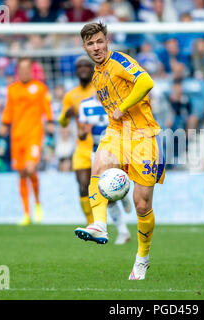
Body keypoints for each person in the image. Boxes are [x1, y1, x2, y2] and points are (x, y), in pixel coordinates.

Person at [74, 22, 165, 280]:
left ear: (107, 41)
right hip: (117, 132)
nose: (96, 47)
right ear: (85, 47)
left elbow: (146, 81)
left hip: (144, 135)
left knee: (142, 205)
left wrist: (124, 106)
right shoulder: (96, 76)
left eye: (100, 41)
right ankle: (100, 225)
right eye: (91, 44)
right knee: (97, 166)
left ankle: (142, 259)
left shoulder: (120, 61)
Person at [59, 56, 132, 245]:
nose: (83, 69)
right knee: (85, 186)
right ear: (75, 71)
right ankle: (93, 224)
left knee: (109, 190)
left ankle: (120, 224)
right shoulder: (74, 98)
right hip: (86, 149)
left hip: (108, 147)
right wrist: (68, 120)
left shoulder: (105, 91)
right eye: (79, 66)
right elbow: (66, 123)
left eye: (86, 66)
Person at [0, 57, 54, 226]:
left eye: (27, 68)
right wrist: (4, 124)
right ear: (18, 71)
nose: (24, 72)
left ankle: (38, 204)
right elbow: (8, 110)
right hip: (17, 136)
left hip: (34, 134)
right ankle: (26, 213)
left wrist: (50, 122)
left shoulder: (40, 88)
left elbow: (47, 108)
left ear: (31, 70)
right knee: (22, 173)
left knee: (31, 168)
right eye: (21, 69)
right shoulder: (12, 89)